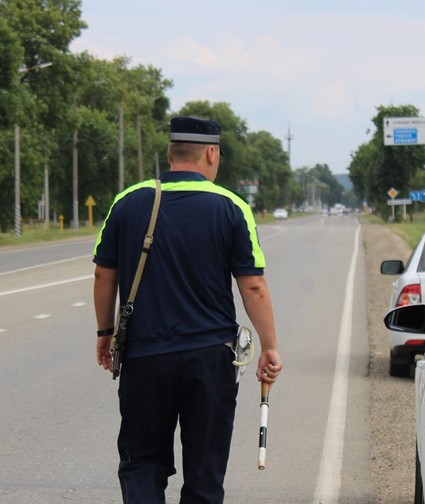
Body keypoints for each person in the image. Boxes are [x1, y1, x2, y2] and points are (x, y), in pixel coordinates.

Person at [92, 116, 282, 504]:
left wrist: (104, 333)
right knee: (204, 472)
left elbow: (103, 275)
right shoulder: (232, 207)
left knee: (142, 461)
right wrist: (269, 345)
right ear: (211, 153)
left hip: (144, 357)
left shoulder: (127, 201)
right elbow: (253, 286)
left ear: (170, 153)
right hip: (210, 360)